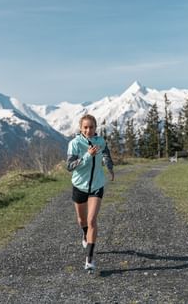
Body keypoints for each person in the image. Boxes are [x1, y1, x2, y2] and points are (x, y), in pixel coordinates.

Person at [67, 114, 114, 270]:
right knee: (82, 221)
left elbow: (106, 153)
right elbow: (70, 167)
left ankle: (90, 259)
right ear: (81, 128)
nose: (88, 130)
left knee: (92, 220)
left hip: (96, 186)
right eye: (85, 127)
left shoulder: (100, 141)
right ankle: (85, 233)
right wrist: (88, 155)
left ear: (95, 128)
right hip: (79, 186)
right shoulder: (74, 144)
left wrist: (110, 168)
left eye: (91, 127)